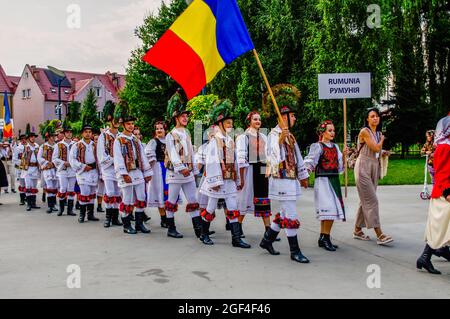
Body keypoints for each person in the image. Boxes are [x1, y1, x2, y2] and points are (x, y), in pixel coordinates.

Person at [258, 84, 310, 263]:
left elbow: (298, 157)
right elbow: (271, 157)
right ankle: (294, 251)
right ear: (284, 117)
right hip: (280, 179)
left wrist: (303, 176)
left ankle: (267, 240)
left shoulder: (291, 136)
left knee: (283, 211)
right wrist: (279, 141)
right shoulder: (273, 135)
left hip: (290, 178)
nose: (295, 118)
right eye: (293, 116)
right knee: (291, 213)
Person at [198, 99, 251, 248]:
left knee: (233, 207)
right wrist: (214, 182)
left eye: (231, 123)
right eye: (228, 123)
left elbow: (234, 162)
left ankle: (236, 239)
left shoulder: (229, 140)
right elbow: (212, 161)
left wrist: (238, 179)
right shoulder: (215, 141)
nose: (231, 125)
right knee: (210, 208)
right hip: (218, 181)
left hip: (229, 180)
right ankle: (204, 234)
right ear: (220, 124)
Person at [236, 111, 279, 241]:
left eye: (259, 119)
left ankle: (268, 231)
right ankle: (237, 228)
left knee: (264, 198)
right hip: (250, 169)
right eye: (255, 119)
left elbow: (270, 154)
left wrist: (270, 170)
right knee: (245, 198)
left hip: (262, 169)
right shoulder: (243, 137)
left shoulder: (264, 137)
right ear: (249, 121)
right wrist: (241, 178)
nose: (258, 121)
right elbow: (241, 158)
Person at [164, 90, 202, 239]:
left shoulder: (186, 132)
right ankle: (171, 228)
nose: (186, 118)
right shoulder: (170, 135)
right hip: (175, 174)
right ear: (176, 117)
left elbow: (191, 152)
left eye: (186, 116)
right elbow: (173, 154)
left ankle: (199, 230)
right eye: (183, 116)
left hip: (188, 173)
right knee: (172, 201)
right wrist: (181, 168)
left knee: (193, 200)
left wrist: (193, 167)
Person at [353, 108, 393, 245]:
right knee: (372, 201)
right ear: (367, 119)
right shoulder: (365, 131)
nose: (375, 118)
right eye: (372, 116)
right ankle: (379, 234)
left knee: (365, 200)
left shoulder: (378, 133)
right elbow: (375, 148)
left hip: (374, 166)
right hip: (363, 166)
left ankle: (357, 230)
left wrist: (384, 152)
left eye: (377, 116)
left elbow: (377, 151)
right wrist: (381, 141)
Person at [416, 115, 450, 274]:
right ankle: (426, 256)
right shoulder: (444, 147)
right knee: (440, 227)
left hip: (445, 193)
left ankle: (431, 254)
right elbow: (441, 173)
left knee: (441, 227)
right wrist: (447, 191)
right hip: (445, 194)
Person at [304, 120, 345, 251]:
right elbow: (310, 161)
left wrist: (345, 156)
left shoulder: (336, 147)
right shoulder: (318, 146)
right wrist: (305, 173)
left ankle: (324, 237)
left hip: (334, 180)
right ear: (323, 132)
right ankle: (325, 237)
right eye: (329, 130)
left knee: (331, 210)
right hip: (323, 181)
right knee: (329, 209)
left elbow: (339, 166)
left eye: (333, 130)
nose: (333, 133)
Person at [113, 101, 152, 234]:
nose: (131, 126)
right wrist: (123, 173)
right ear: (123, 125)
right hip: (127, 173)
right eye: (128, 124)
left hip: (138, 172)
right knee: (127, 199)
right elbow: (118, 158)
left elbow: (142, 155)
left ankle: (139, 224)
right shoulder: (119, 140)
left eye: (132, 124)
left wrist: (147, 172)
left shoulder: (136, 139)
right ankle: (126, 224)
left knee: (141, 197)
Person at [97, 102, 123, 228]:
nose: (117, 121)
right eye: (115, 119)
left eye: (118, 119)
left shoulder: (121, 136)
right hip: (108, 169)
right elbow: (102, 155)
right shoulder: (104, 136)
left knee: (118, 192)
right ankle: (108, 217)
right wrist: (115, 159)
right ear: (110, 119)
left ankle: (115, 217)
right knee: (110, 191)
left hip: (119, 169)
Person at [69, 124, 100, 223]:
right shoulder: (76, 145)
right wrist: (82, 166)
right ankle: (82, 214)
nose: (88, 134)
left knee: (92, 193)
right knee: (84, 192)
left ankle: (90, 214)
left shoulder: (95, 145)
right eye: (86, 132)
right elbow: (72, 159)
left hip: (93, 171)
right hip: (83, 171)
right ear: (82, 133)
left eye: (89, 132)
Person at [145, 121, 169, 228]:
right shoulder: (153, 142)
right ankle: (163, 218)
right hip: (158, 169)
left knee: (170, 194)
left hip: (169, 169)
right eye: (157, 129)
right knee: (160, 193)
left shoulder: (170, 141)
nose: (159, 130)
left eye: (161, 128)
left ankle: (169, 217)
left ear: (165, 130)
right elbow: (149, 156)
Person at [52, 123, 77, 216]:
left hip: (72, 170)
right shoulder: (58, 145)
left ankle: (70, 210)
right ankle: (61, 209)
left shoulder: (75, 144)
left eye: (70, 132)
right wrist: (63, 163)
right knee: (63, 188)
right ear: (64, 134)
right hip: (62, 170)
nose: (69, 134)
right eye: (67, 132)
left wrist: (74, 163)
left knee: (71, 189)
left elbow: (78, 157)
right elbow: (54, 158)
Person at [37, 130, 59, 213]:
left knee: (54, 186)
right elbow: (39, 157)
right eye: (52, 136)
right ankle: (50, 206)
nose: (54, 138)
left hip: (55, 168)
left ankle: (53, 204)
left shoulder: (57, 146)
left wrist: (54, 163)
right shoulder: (43, 146)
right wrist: (47, 162)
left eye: (54, 136)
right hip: (47, 169)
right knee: (49, 186)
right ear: (49, 137)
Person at [21, 132, 41, 211]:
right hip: (28, 168)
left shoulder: (37, 146)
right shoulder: (26, 147)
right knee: (28, 186)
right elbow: (23, 158)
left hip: (35, 168)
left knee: (34, 186)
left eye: (34, 137)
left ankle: (33, 203)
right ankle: (28, 204)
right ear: (29, 138)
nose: (33, 138)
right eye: (31, 137)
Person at [13, 134, 27, 205]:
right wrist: (22, 163)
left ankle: (27, 197)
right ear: (20, 140)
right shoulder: (17, 148)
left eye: (25, 139)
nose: (24, 140)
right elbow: (15, 159)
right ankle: (22, 199)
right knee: (22, 184)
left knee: (28, 183)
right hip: (21, 168)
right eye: (22, 139)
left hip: (28, 169)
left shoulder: (29, 147)